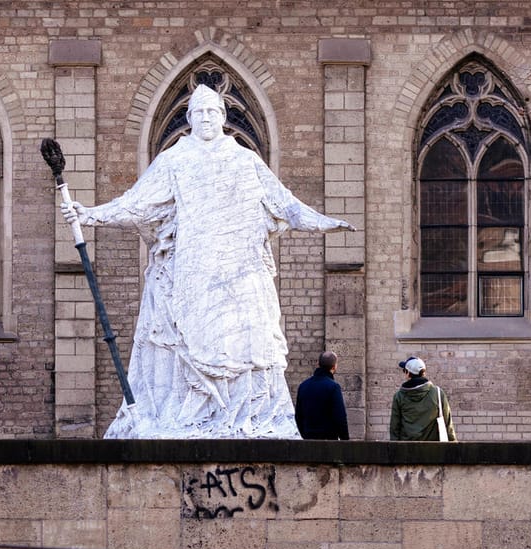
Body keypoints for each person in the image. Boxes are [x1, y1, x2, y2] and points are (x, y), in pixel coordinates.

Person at [62, 84, 356, 438]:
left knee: (246, 348)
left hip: (240, 274)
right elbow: (135, 202)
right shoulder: (174, 160)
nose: (205, 118)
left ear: (222, 116)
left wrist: (323, 222)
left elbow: (286, 204)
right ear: (189, 119)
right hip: (193, 274)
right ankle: (193, 415)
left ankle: (241, 415)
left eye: (211, 112)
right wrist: (90, 215)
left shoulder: (245, 160)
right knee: (192, 348)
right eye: (198, 112)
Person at [389, 356, 456, 441]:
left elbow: (394, 428)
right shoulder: (438, 393)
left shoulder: (399, 396)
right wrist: (454, 448)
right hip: (434, 450)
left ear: (408, 373)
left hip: (406, 450)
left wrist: (394, 451)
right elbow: (448, 424)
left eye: (404, 371)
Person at [295, 351, 349, 440]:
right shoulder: (333, 387)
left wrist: (305, 435)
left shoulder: (303, 386)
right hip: (329, 440)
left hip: (308, 439)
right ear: (334, 366)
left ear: (318, 364)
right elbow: (340, 417)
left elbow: (298, 416)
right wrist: (345, 440)